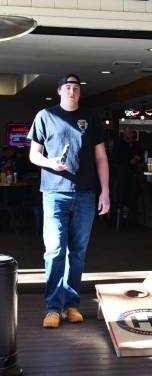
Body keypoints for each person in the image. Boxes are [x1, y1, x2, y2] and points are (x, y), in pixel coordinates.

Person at [28, 74, 110, 329]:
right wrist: (50, 162)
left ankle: (71, 305)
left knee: (78, 252)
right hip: (54, 192)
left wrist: (105, 191)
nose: (72, 91)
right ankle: (52, 308)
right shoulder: (45, 115)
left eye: (76, 87)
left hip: (85, 193)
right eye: (67, 87)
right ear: (59, 91)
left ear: (79, 93)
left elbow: (101, 157)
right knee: (54, 251)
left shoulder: (91, 117)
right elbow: (33, 155)